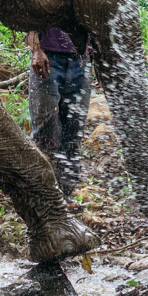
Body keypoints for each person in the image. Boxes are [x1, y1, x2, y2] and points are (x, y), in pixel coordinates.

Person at [25, 27, 92, 198]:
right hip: (47, 58)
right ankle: (43, 197)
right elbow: (29, 10)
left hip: (81, 60)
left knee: (74, 134)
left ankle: (65, 197)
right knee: (45, 135)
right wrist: (36, 49)